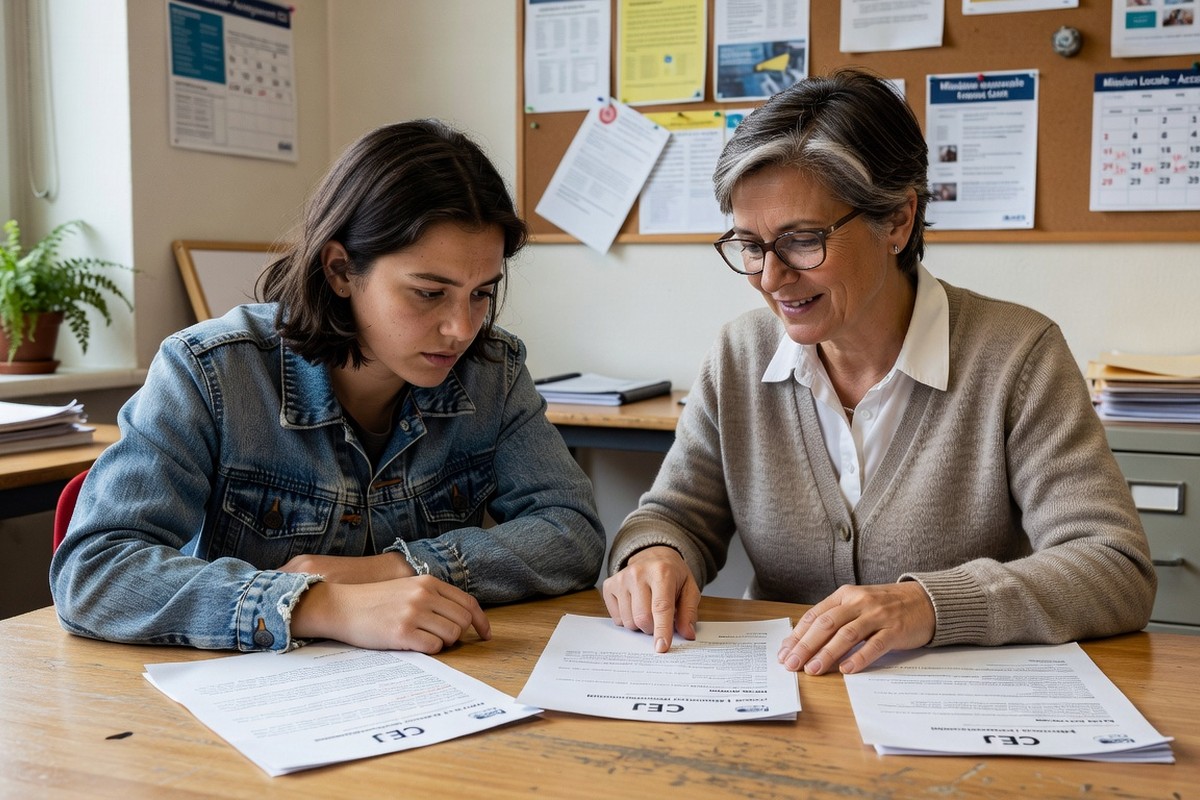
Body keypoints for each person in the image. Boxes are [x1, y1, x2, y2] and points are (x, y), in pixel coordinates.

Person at [603, 68, 1156, 676]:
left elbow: (1113, 565)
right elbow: (675, 516)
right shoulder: (740, 353)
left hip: (955, 709)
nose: (770, 276)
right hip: (788, 703)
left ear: (897, 220)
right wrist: (653, 556)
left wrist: (928, 604)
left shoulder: (1017, 356)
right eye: (751, 244)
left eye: (803, 240)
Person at [51, 120, 605, 653]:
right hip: (245, 710)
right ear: (341, 270)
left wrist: (394, 569)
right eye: (429, 293)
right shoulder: (211, 372)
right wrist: (320, 605)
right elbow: (94, 571)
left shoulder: (494, 370)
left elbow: (571, 532)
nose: (463, 328)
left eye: (482, 293)